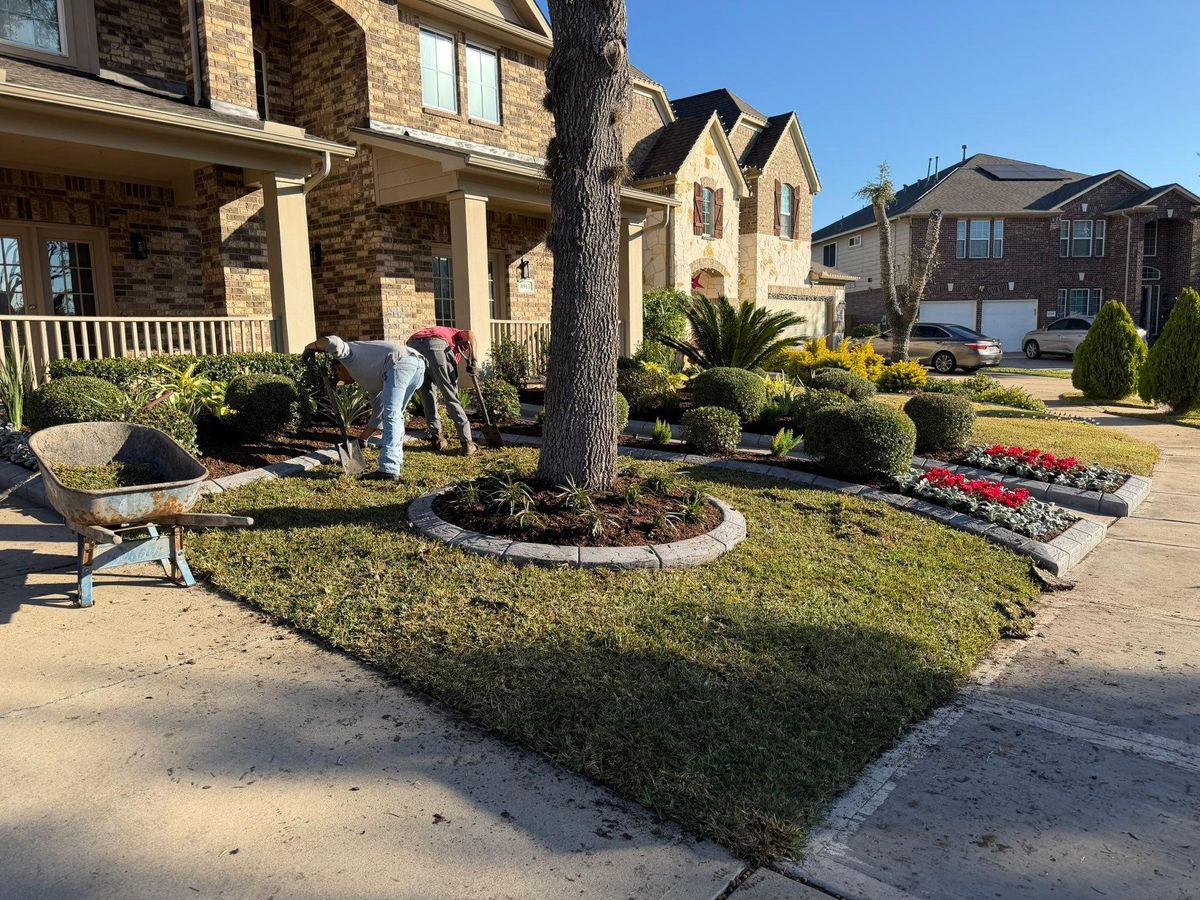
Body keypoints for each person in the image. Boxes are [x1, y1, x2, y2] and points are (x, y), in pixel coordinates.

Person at [303, 335, 426, 483]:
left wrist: (311, 346)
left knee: (392, 414)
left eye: (336, 373)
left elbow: (333, 341)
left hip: (400, 363)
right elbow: (378, 413)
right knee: (395, 414)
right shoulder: (370, 376)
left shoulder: (348, 356)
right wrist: (362, 439)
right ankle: (395, 461)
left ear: (339, 366)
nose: (339, 378)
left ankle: (389, 469)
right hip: (417, 364)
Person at [407, 325, 479, 456]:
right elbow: (470, 334)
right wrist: (474, 360)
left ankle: (436, 438)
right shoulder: (457, 333)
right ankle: (467, 442)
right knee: (450, 394)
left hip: (412, 346)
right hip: (436, 345)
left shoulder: (438, 331)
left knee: (426, 394)